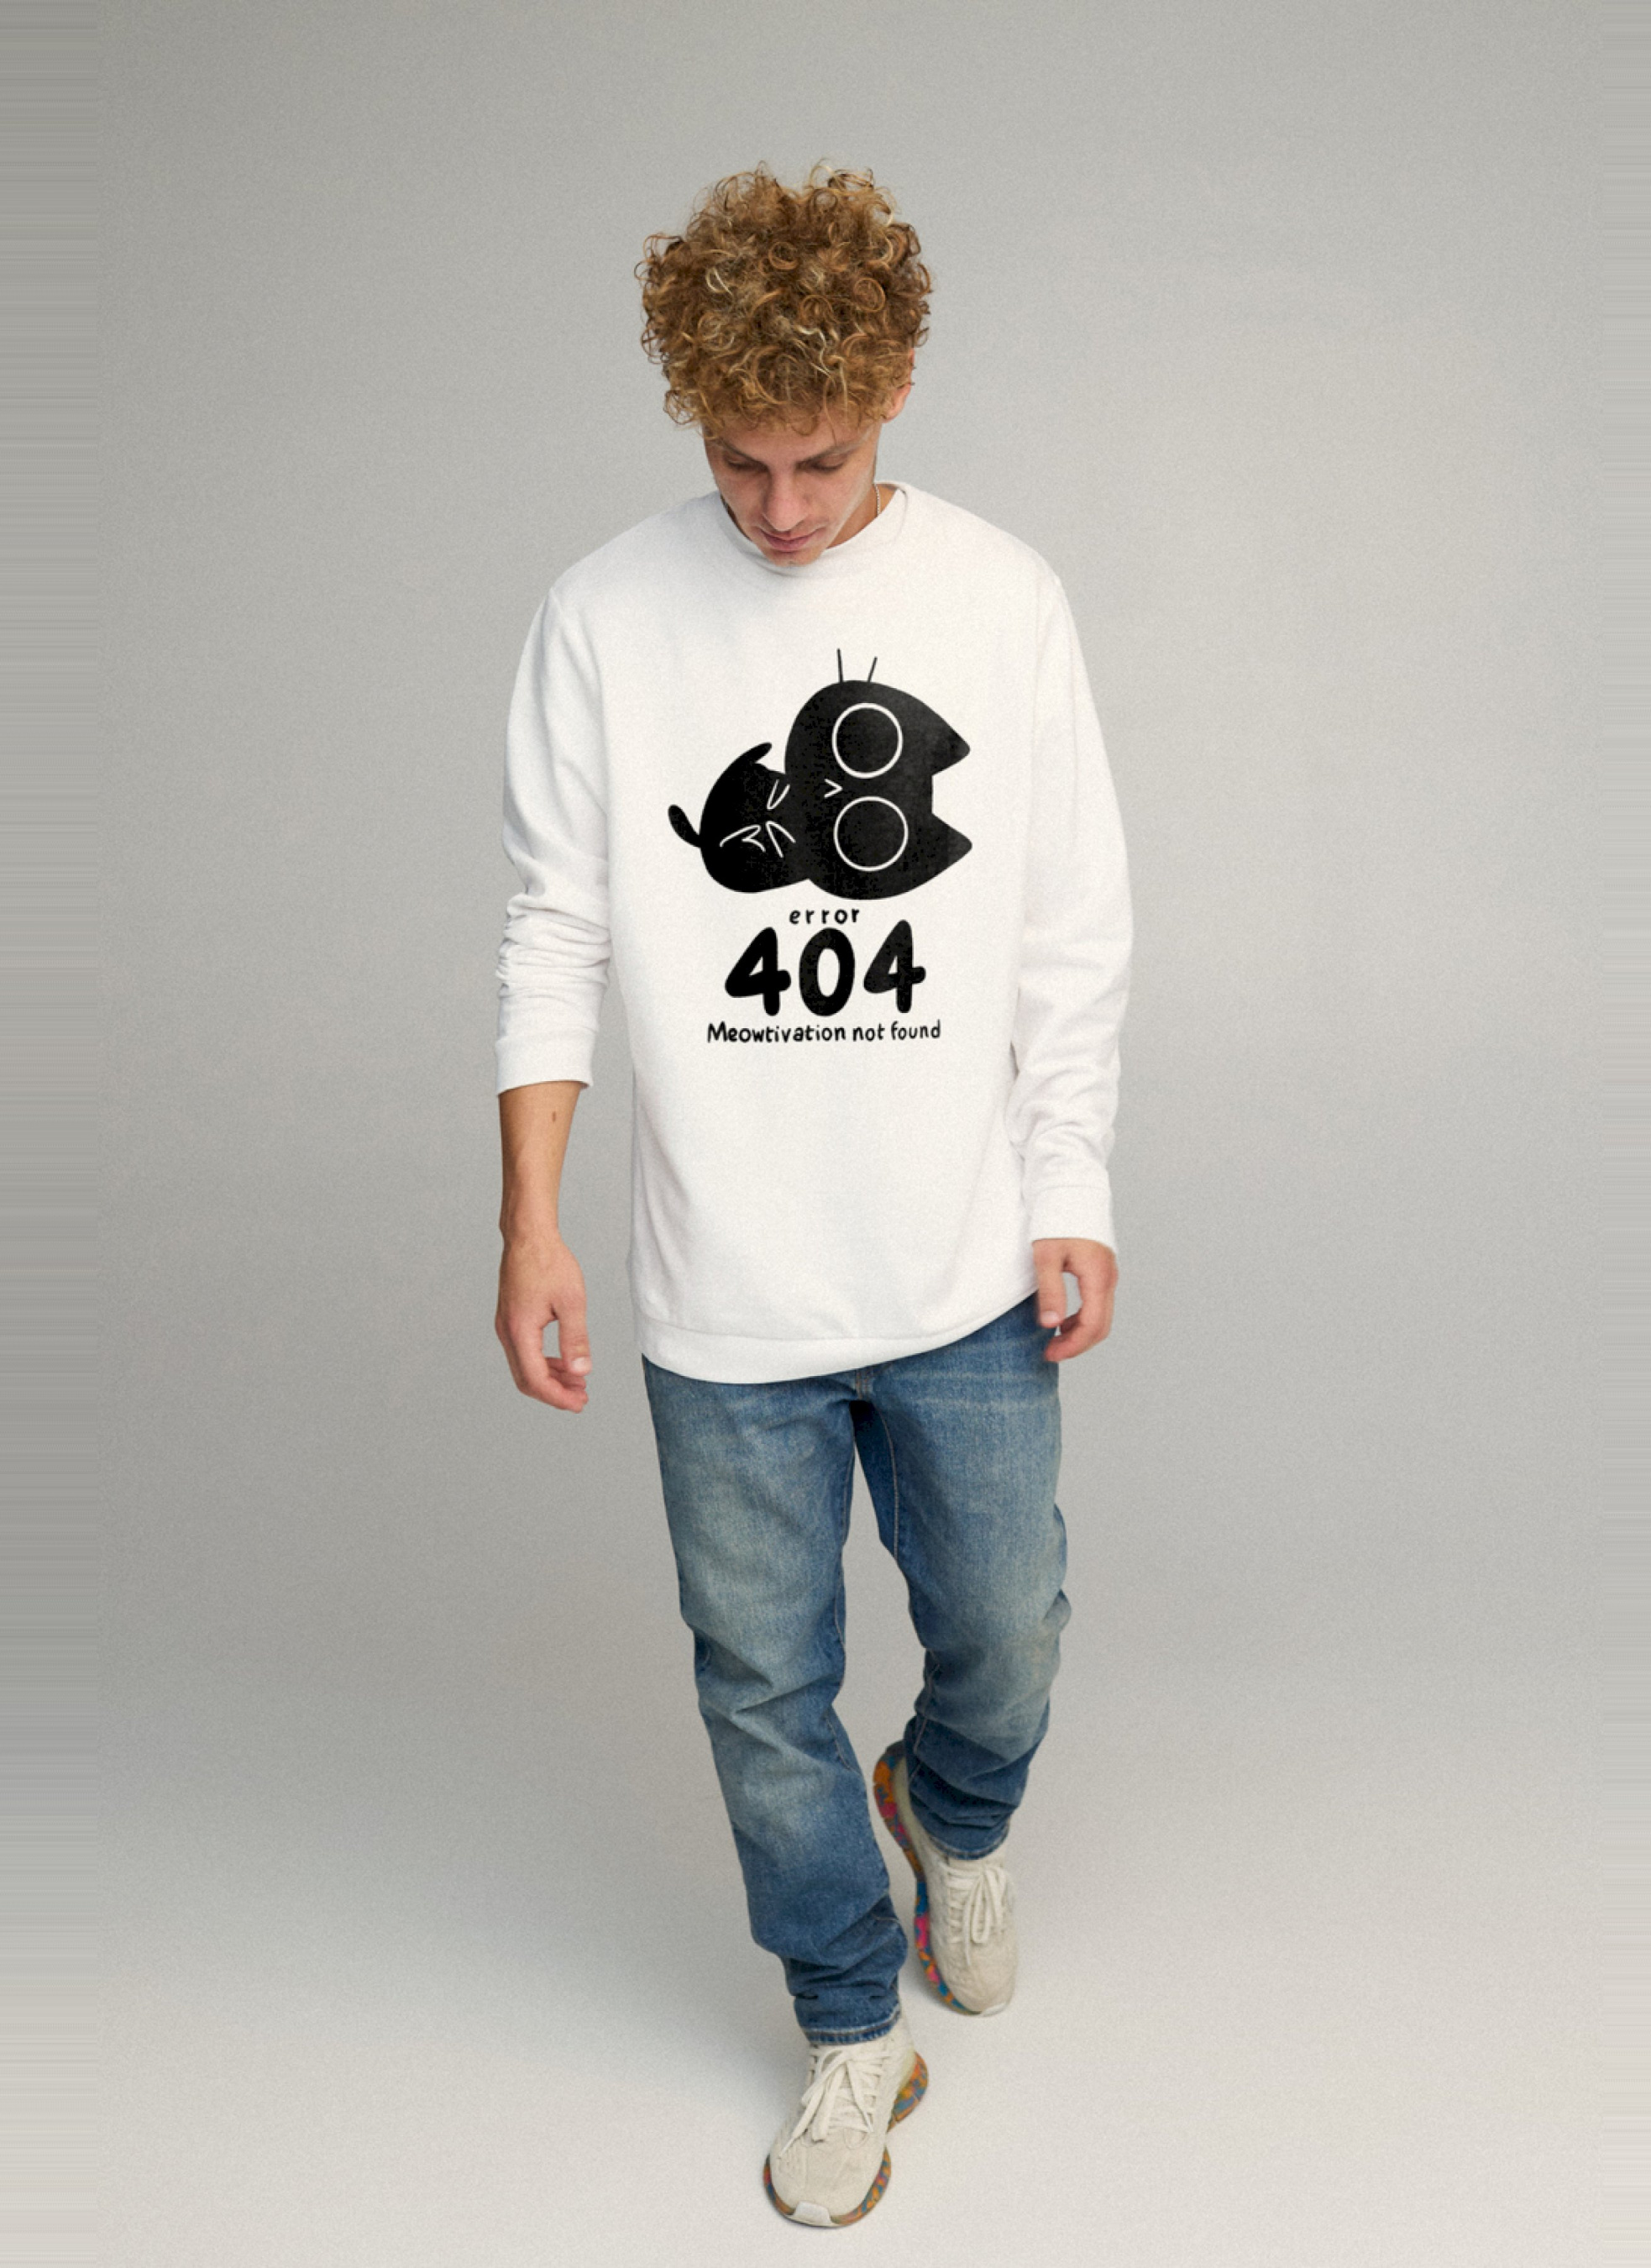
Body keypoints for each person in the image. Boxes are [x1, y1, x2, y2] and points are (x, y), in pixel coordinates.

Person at [492, 162, 1132, 2229]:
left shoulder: (1000, 599)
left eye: (822, 461)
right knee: (757, 1684)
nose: (778, 511)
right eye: (738, 460)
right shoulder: (603, 616)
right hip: (724, 1293)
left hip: (957, 1264)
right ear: (692, 412)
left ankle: (952, 1807)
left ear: (894, 392)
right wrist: (529, 1221)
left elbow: (1066, 931)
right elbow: (553, 930)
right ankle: (852, 2026)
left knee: (1007, 1626)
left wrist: (1070, 1184)